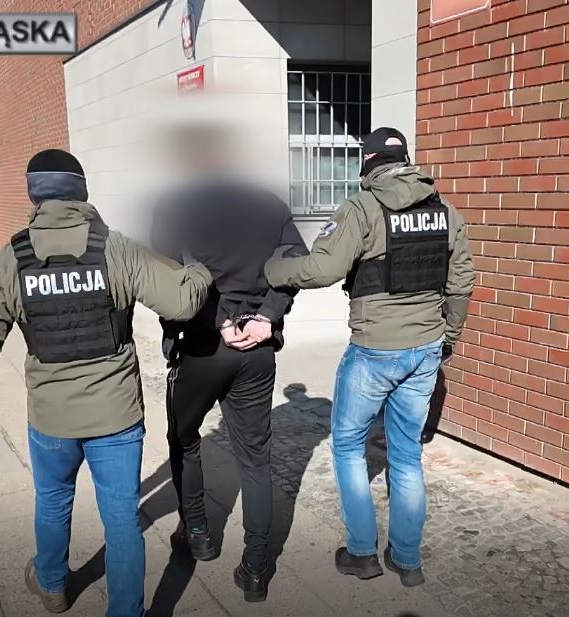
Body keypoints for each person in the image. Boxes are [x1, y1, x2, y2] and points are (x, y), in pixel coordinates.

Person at [0, 149, 212, 617]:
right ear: (81, 191)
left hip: (52, 418)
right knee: (122, 520)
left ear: (34, 195)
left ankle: (52, 586)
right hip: (116, 416)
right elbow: (182, 301)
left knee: (52, 501)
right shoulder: (116, 248)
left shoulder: (10, 262)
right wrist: (201, 269)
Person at [265, 127, 474, 587]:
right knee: (407, 454)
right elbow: (461, 283)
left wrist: (274, 269)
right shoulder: (445, 212)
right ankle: (407, 560)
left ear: (368, 163)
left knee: (347, 445)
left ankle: (362, 553)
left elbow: (323, 269)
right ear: (406, 162)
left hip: (375, 349)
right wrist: (449, 337)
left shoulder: (361, 208)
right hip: (425, 349)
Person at [150, 127, 308, 603]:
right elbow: (297, 260)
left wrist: (217, 320)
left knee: (184, 439)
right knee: (256, 460)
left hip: (203, 346)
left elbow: (166, 281)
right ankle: (256, 568)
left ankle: (198, 532)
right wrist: (267, 316)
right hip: (256, 348)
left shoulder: (175, 205)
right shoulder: (268, 204)